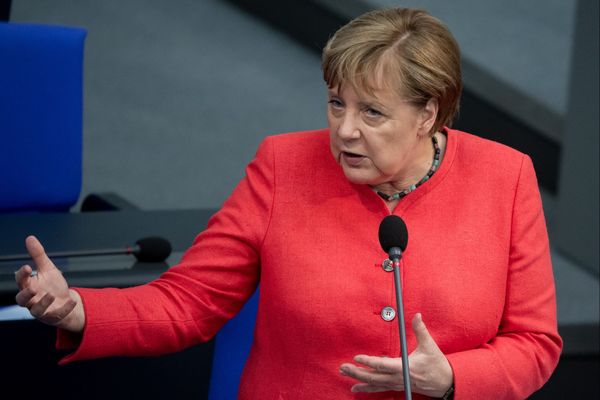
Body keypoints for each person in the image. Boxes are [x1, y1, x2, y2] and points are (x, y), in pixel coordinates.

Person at [14, 7, 561, 399]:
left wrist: (452, 380)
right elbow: (191, 300)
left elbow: (535, 343)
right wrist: (82, 309)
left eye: (372, 113)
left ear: (428, 115)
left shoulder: (505, 177)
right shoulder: (283, 166)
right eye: (335, 104)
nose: (344, 131)